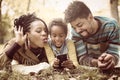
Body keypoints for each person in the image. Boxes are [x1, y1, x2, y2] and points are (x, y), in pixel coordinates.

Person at [64, 1, 120, 70]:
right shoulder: (75, 33)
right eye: (74, 27)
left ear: (90, 17)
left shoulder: (111, 26)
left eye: (80, 25)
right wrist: (96, 63)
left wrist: (112, 59)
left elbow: (115, 53)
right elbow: (81, 58)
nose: (77, 30)